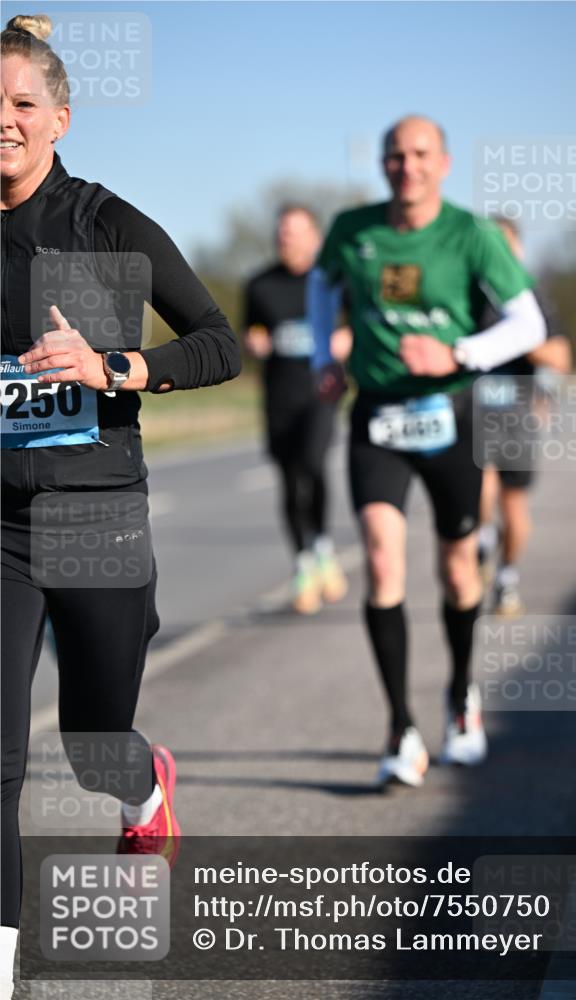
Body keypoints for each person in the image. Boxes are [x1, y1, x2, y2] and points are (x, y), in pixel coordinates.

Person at [0, 15, 241, 997]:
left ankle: (145, 788)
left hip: (95, 516)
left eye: (21, 104)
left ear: (60, 116)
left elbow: (219, 342)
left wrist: (113, 366)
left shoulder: (105, 224)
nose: (3, 122)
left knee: (94, 747)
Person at [308, 115, 546, 788]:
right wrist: (325, 355)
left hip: (452, 415)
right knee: (382, 561)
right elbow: (321, 287)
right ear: (382, 165)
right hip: (377, 415)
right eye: (393, 155)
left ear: (442, 163)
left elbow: (527, 321)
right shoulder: (352, 230)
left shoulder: (469, 234)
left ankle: (461, 698)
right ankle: (399, 728)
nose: (404, 166)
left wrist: (458, 352)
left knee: (455, 569)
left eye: (418, 154)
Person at [244, 206, 347, 614]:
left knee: (314, 464)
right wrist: (255, 342)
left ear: (315, 238)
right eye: (282, 232)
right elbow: (252, 328)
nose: (286, 239)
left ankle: (322, 545)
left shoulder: (332, 279)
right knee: (289, 478)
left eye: (295, 232)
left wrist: (347, 340)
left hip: (321, 391)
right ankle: (304, 561)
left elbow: (358, 320)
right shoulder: (260, 284)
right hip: (279, 394)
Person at [477, 216, 571, 616]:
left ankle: (507, 577)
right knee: (479, 494)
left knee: (514, 509)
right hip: (473, 413)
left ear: (518, 249)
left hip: (517, 414)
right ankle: (482, 540)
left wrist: (531, 344)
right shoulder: (467, 295)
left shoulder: (534, 298)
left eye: (505, 243)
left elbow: (561, 357)